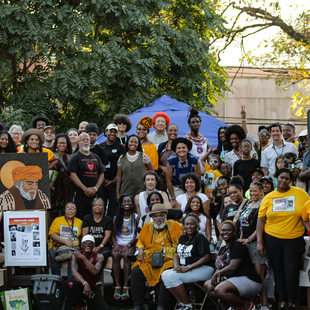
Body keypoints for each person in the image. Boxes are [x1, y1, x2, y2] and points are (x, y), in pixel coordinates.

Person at [257, 168, 310, 310]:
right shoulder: (268, 197)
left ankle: (292, 301)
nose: (283, 180)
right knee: (278, 271)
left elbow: (306, 216)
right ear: (277, 178)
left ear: (291, 181)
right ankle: (282, 301)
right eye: (281, 177)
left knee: (291, 270)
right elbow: (261, 221)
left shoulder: (301, 194)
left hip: (293, 240)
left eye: (287, 178)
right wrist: (260, 242)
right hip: (273, 239)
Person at [131, 203, 183, 309]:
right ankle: (138, 304)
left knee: (167, 273)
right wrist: (140, 248)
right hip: (149, 259)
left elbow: (183, 241)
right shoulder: (146, 227)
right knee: (136, 270)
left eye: (161, 215)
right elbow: (140, 241)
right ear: (152, 217)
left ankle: (161, 305)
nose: (158, 218)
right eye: (155, 216)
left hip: (169, 260)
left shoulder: (176, 226)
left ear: (165, 216)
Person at [204, 221, 261, 310]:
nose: (225, 232)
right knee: (208, 286)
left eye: (228, 230)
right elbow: (218, 267)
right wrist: (217, 275)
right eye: (223, 230)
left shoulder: (238, 245)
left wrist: (216, 274)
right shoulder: (222, 248)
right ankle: (235, 306)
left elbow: (232, 267)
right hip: (232, 280)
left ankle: (248, 306)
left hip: (248, 279)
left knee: (220, 289)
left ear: (234, 232)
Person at [161, 213, 214, 310]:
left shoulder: (200, 238)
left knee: (172, 276)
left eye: (192, 224)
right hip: (187, 268)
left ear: (197, 225)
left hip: (204, 269)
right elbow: (176, 254)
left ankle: (188, 305)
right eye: (187, 224)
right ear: (184, 225)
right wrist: (176, 265)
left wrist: (189, 267)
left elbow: (206, 257)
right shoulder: (183, 238)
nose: (189, 226)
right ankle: (181, 303)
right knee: (164, 274)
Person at [238, 181, 268, 309]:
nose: (252, 193)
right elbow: (242, 225)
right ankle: (254, 303)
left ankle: (265, 304)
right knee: (249, 275)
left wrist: (250, 239)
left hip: (255, 243)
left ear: (261, 191)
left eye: (255, 191)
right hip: (244, 243)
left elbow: (260, 225)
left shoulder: (262, 204)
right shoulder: (249, 204)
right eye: (250, 191)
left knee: (259, 275)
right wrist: (240, 239)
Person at [66, 234, 109, 310]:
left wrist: (83, 258)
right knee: (71, 285)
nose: (88, 244)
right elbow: (74, 273)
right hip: (79, 286)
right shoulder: (75, 255)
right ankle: (77, 305)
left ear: (94, 245)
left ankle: (88, 304)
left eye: (90, 243)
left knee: (104, 308)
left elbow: (94, 272)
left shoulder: (99, 257)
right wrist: (85, 283)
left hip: (92, 287)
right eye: (85, 243)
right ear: (81, 245)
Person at [67, 132, 105, 219]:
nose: (86, 141)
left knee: (94, 217)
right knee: (80, 217)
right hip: (79, 194)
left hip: (94, 194)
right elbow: (72, 175)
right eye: (83, 139)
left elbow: (102, 173)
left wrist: (96, 188)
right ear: (78, 142)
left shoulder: (96, 157)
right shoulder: (75, 157)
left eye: (87, 139)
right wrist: (85, 189)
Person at [112, 194, 139, 301]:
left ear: (132, 204)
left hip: (131, 244)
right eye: (125, 202)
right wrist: (116, 245)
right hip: (119, 243)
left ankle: (126, 286)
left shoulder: (136, 217)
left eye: (129, 201)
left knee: (127, 256)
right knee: (115, 255)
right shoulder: (116, 218)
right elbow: (113, 235)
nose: (127, 203)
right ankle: (118, 286)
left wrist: (128, 245)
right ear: (121, 204)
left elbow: (137, 235)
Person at [48, 202, 82, 281]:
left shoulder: (79, 222)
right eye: (68, 208)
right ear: (65, 211)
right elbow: (52, 235)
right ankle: (56, 280)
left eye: (72, 208)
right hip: (57, 245)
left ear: (76, 211)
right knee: (52, 254)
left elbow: (82, 237)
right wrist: (65, 241)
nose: (70, 211)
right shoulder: (57, 220)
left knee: (74, 254)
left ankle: (71, 281)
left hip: (73, 246)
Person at [116, 134, 153, 201]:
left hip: (141, 191)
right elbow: (119, 177)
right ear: (127, 143)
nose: (133, 144)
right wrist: (117, 193)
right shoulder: (122, 158)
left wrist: (150, 189)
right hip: (125, 190)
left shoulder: (143, 156)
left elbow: (152, 173)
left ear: (138, 144)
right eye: (131, 142)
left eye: (136, 142)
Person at [99, 124, 125, 217]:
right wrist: (104, 180)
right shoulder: (100, 147)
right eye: (110, 131)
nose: (113, 134)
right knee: (100, 206)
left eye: (115, 132)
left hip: (115, 183)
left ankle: (111, 229)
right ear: (106, 132)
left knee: (113, 208)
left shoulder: (121, 148)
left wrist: (113, 181)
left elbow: (122, 166)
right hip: (102, 182)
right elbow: (97, 166)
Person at [166, 137, 201, 207]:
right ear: (175, 150)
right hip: (176, 187)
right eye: (179, 148)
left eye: (183, 148)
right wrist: (173, 198)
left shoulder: (194, 160)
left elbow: (198, 178)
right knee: (178, 206)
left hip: (192, 185)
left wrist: (194, 192)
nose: (181, 150)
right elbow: (168, 181)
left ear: (187, 149)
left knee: (194, 204)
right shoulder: (171, 161)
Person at [82, 198, 113, 266]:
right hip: (89, 245)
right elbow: (85, 234)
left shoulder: (108, 219)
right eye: (95, 205)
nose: (97, 207)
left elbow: (107, 236)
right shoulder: (87, 218)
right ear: (92, 207)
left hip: (104, 246)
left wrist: (100, 246)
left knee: (99, 257)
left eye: (99, 205)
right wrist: (91, 246)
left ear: (103, 207)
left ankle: (95, 274)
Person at [50, 133, 73, 210]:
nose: (62, 145)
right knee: (54, 209)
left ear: (67, 144)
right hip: (54, 186)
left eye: (64, 143)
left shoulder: (71, 156)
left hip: (68, 187)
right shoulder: (51, 156)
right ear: (56, 144)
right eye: (60, 142)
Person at [158, 123, 178, 190]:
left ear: (177, 132)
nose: (173, 132)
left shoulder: (180, 146)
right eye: (170, 130)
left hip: (176, 181)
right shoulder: (162, 146)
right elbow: (156, 163)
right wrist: (162, 168)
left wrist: (170, 170)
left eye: (175, 130)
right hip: (162, 181)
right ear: (167, 132)